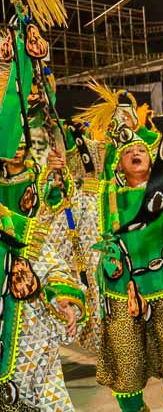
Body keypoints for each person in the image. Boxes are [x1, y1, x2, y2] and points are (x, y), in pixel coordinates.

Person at [52, 85, 163, 412]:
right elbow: (68, 196)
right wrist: (61, 167)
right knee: (125, 365)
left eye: (141, 149)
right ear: (119, 162)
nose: (135, 153)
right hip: (119, 292)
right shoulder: (102, 198)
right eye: (128, 151)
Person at [0, 140, 87, 412]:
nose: (18, 149)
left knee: (46, 394)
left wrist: (63, 299)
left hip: (29, 324)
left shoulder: (25, 231)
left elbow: (50, 260)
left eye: (22, 145)